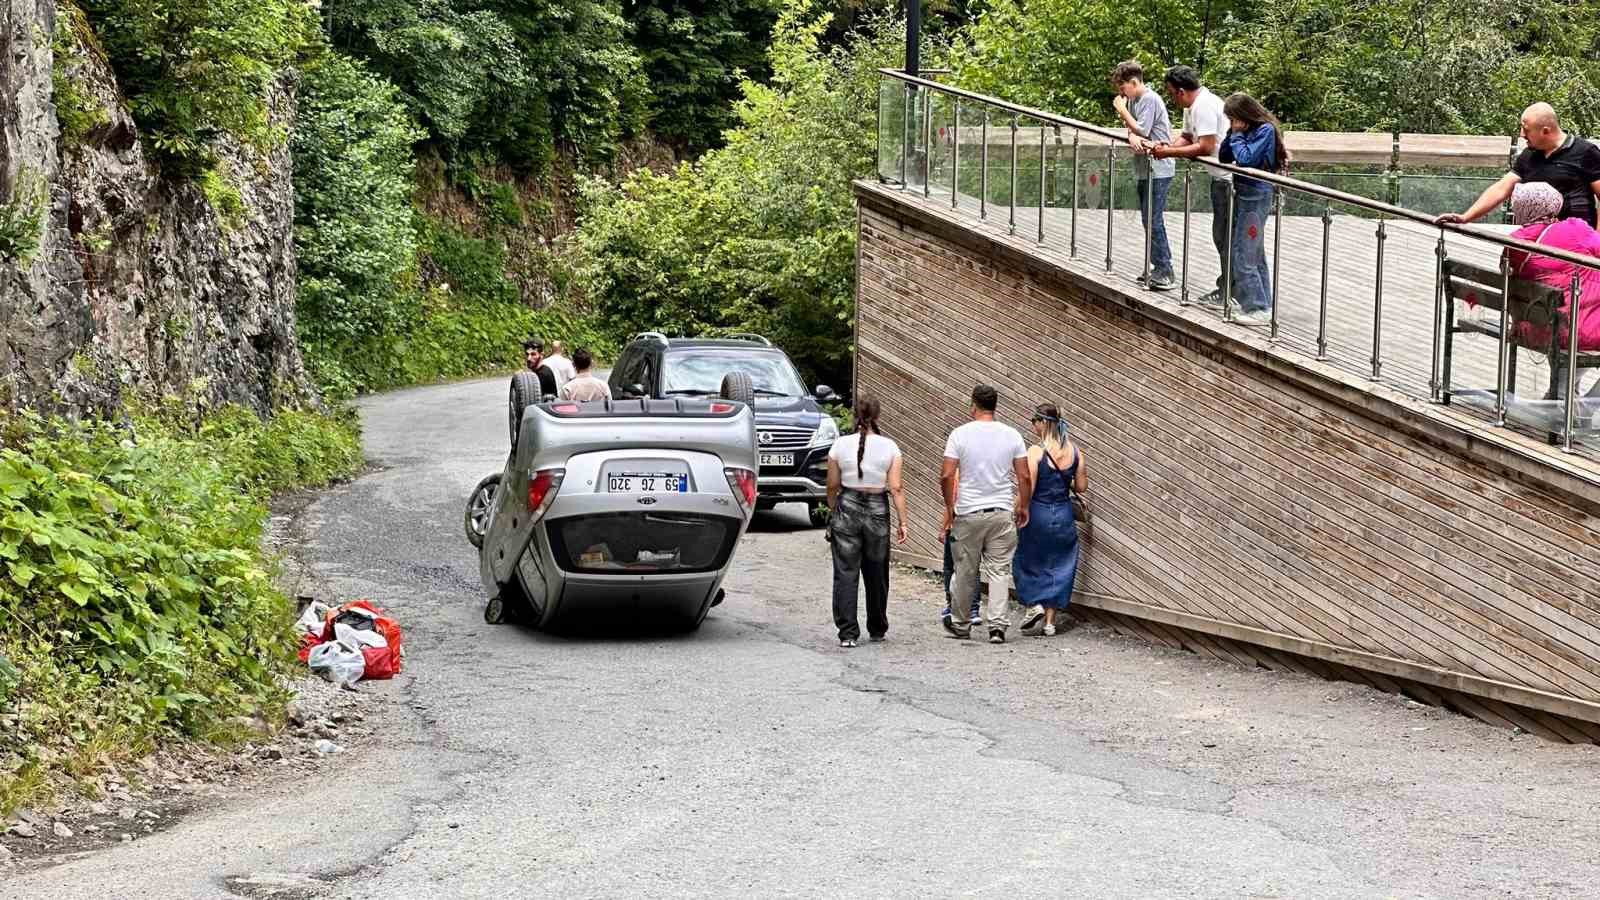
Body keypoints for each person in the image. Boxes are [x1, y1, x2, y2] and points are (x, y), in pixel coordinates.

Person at [941, 384, 1032, 644]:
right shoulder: (1012, 435)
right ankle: (997, 627)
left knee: (965, 571)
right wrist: (1023, 505)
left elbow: (947, 475)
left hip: (968, 511)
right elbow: (1024, 475)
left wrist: (950, 507)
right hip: (1002, 511)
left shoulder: (959, 434)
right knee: (1000, 571)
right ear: (995, 406)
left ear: (973, 405)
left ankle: (961, 623)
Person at [1502, 182, 1600, 399]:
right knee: (1575, 319)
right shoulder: (1573, 229)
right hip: (1578, 329)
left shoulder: (1514, 243)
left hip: (1533, 326)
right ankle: (1587, 407)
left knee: (1565, 311)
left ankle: (1566, 397)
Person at [826, 398, 909, 647]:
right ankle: (877, 627)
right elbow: (896, 487)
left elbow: (832, 485)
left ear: (855, 416)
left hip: (847, 505)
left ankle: (848, 633)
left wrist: (834, 509)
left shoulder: (839, 445)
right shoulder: (890, 447)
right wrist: (903, 522)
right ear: (878, 416)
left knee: (845, 572)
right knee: (877, 573)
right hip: (877, 508)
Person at [1438, 103, 1600, 230]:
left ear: (1545, 131)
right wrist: (1465, 217)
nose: (1522, 134)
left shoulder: (1585, 152)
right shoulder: (1529, 154)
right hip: (1535, 238)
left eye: (1526, 130)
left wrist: (1596, 243)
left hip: (1576, 240)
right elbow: (1502, 188)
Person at [1150, 65, 1233, 308]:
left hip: (1230, 179)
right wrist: (1168, 147)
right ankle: (1227, 288)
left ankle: (1230, 292)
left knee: (1227, 237)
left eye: (1171, 93)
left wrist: (1169, 152)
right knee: (1221, 236)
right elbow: (1188, 137)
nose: (1172, 99)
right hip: (1219, 179)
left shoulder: (1205, 106)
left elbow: (1206, 145)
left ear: (1181, 91)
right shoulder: (1192, 107)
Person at [1014, 403, 1087, 638]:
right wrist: (1063, 480)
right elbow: (1082, 486)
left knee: (1028, 559)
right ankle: (1050, 623)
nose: (1033, 427)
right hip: (1064, 514)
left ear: (1043, 423)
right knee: (1060, 565)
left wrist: (1018, 507)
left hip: (1039, 513)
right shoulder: (1075, 451)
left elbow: (1029, 486)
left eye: (1034, 422)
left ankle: (1033, 604)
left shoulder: (1036, 451)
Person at [1215, 92, 1286, 326]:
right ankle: (1265, 305)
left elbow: (1245, 160)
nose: (1233, 123)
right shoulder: (1242, 132)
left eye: (1234, 118)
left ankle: (1256, 307)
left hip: (1256, 196)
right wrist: (1232, 133)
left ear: (1245, 115)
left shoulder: (1264, 130)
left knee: (1243, 254)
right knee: (1254, 253)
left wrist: (1236, 135)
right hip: (1243, 193)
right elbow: (1224, 157)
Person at [1112, 60, 1176, 292]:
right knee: (1148, 219)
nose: (1121, 94)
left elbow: (1142, 129)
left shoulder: (1149, 99)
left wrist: (1122, 110)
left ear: (1134, 82)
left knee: (1153, 219)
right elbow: (1134, 131)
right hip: (1143, 167)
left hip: (1159, 168)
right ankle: (1157, 266)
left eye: (1123, 88)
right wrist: (1131, 135)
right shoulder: (1134, 100)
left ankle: (1165, 269)